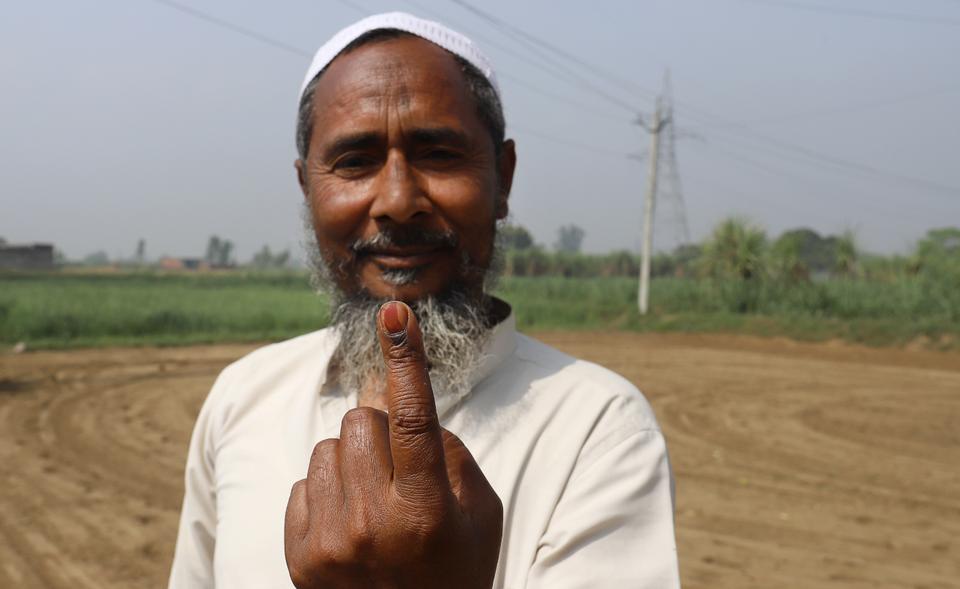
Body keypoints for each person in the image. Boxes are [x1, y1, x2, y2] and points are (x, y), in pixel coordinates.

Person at [169, 12, 680, 589]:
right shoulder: (243, 397)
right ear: (306, 189)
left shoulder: (598, 428)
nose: (396, 201)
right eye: (355, 162)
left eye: (438, 154)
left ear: (503, 180)